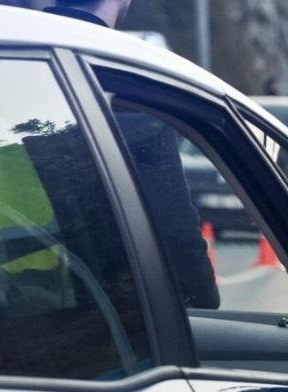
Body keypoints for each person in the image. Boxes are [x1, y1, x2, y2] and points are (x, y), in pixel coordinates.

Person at [45, 0, 221, 309]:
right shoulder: (123, 82)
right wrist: (203, 298)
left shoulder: (11, 50)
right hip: (92, 325)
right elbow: (177, 239)